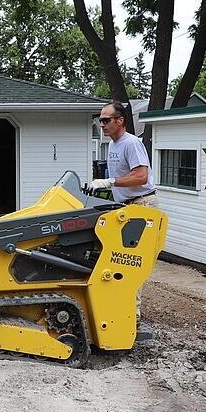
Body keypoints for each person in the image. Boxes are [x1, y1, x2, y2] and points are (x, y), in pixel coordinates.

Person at [89, 100, 158, 326]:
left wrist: (109, 182)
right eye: (100, 120)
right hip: (126, 207)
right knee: (119, 261)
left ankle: (132, 318)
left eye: (106, 120)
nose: (102, 124)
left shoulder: (131, 144)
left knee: (132, 261)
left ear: (120, 121)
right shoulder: (112, 145)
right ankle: (122, 310)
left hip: (141, 206)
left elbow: (141, 177)